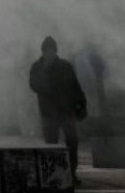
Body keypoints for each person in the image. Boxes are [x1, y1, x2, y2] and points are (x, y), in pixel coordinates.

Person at [28, 37, 87, 184]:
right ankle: (53, 173)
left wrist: (82, 104)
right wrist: (45, 70)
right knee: (51, 144)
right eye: (47, 50)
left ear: (55, 50)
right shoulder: (37, 67)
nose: (50, 53)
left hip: (66, 111)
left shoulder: (65, 66)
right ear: (43, 51)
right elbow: (34, 85)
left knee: (72, 142)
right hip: (49, 113)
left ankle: (72, 173)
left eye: (52, 50)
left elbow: (76, 86)